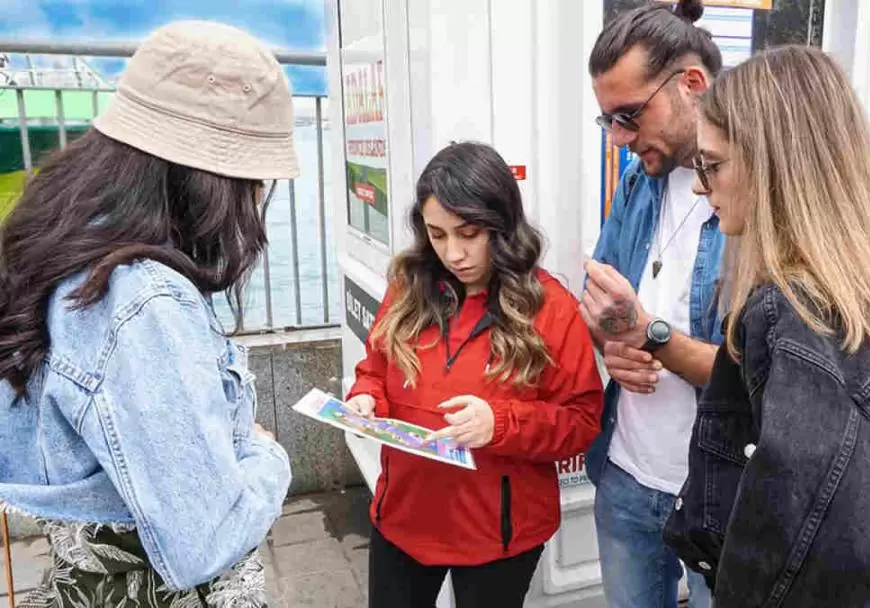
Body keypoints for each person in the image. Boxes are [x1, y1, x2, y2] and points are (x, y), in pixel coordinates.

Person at [0, 21, 297, 607]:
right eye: (254, 179)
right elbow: (204, 537)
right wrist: (267, 455)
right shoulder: (142, 303)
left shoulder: (62, 250)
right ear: (214, 181)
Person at [664, 44, 870, 605]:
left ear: (776, 167)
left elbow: (815, 548)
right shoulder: (867, 293)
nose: (700, 185)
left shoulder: (802, 315)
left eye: (712, 164)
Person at [345, 141, 604, 608]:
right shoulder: (406, 288)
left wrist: (499, 424)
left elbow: (582, 421)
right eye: (437, 234)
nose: (454, 253)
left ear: (501, 225)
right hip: (403, 517)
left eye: (469, 233)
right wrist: (366, 399)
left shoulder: (550, 308)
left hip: (497, 533)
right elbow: (375, 369)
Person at [577, 0, 725, 605]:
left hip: (723, 493)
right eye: (608, 120)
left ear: (692, 84)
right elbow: (600, 314)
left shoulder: (759, 198)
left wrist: (651, 334)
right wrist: (613, 345)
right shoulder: (638, 180)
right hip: (627, 477)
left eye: (629, 114)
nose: (619, 137)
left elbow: (771, 373)